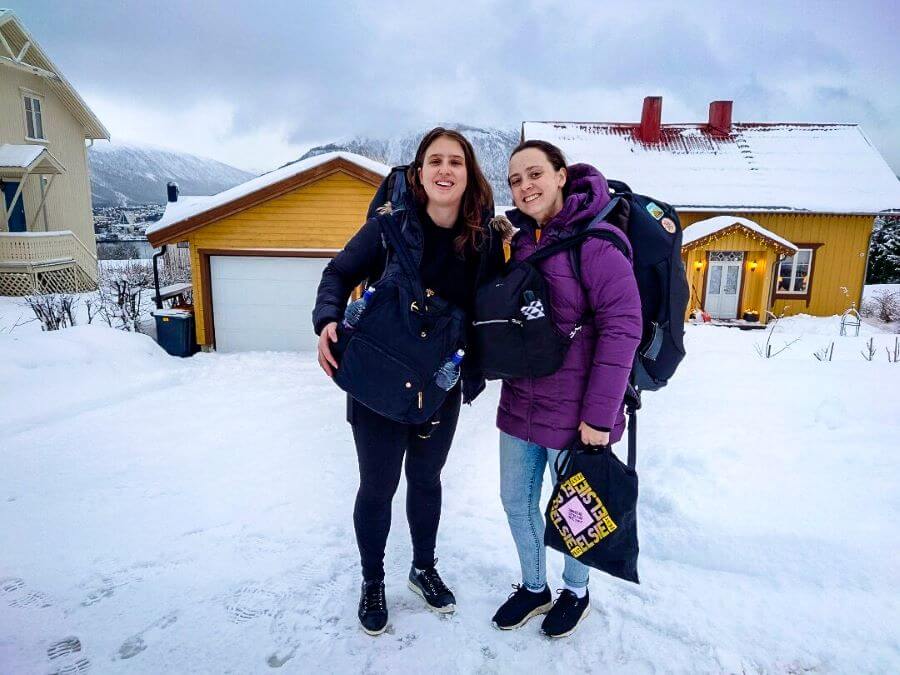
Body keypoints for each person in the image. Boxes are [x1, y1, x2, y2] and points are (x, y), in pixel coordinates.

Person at [312, 128, 504, 636]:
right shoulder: (388, 228)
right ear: (418, 173)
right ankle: (372, 580)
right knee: (377, 486)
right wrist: (327, 319)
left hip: (439, 384)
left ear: (469, 175)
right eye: (434, 160)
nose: (445, 170)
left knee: (426, 480)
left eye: (456, 162)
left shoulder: (484, 241)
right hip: (378, 381)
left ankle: (422, 568)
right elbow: (336, 274)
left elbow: (495, 306)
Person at [491, 140, 642, 638]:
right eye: (515, 180)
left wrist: (599, 419)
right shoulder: (522, 240)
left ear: (561, 175)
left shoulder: (597, 243)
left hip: (578, 412)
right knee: (516, 500)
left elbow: (623, 328)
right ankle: (535, 587)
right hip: (519, 402)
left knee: (578, 508)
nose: (524, 186)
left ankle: (576, 592)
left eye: (535, 173)